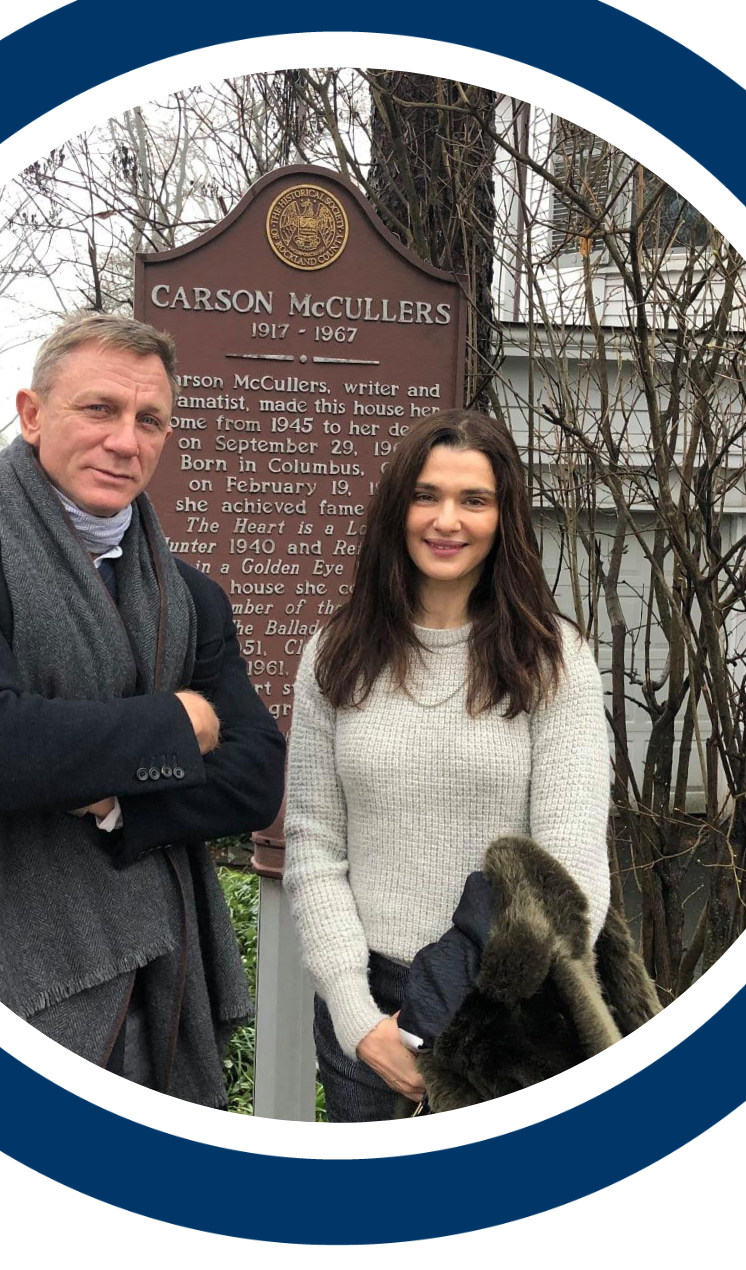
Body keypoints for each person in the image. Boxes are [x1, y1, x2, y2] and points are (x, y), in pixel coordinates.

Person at [0, 311, 286, 1107]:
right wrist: (177, 723)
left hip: (169, 972)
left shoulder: (191, 599)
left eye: (149, 419)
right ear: (31, 415)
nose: (125, 440)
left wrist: (115, 799)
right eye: (99, 409)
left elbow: (257, 777)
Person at [282, 409, 613, 1121]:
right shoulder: (334, 656)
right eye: (426, 495)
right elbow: (314, 847)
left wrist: (456, 1027)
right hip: (365, 1023)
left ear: (505, 518)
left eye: (474, 500)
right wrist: (356, 1015)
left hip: (508, 1021)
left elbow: (570, 876)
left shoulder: (556, 663)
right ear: (398, 508)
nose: (446, 520)